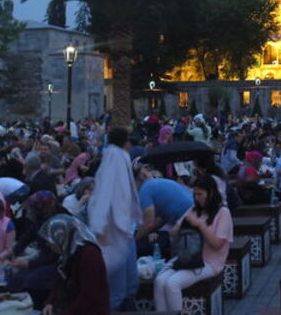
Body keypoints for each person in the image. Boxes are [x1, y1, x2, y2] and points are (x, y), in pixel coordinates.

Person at [153, 175, 233, 312]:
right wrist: (182, 225)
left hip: (210, 262)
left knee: (172, 283)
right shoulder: (193, 210)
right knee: (159, 281)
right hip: (188, 257)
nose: (197, 198)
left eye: (200, 194)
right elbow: (173, 233)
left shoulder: (223, 213)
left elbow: (217, 244)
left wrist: (200, 225)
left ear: (211, 193)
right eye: (194, 194)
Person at [87, 127, 142, 310]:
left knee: (129, 282)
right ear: (125, 141)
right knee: (117, 290)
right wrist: (100, 226)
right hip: (113, 230)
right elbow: (105, 194)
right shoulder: (114, 159)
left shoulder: (118, 157)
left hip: (124, 227)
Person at [38, 214, 109, 315]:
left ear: (61, 236)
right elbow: (59, 282)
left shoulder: (89, 255)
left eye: (51, 240)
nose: (48, 244)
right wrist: (50, 303)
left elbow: (89, 297)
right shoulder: (68, 252)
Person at [135, 165, 193, 243]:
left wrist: (134, 241)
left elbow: (149, 224)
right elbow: (162, 219)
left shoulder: (144, 190)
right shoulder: (154, 184)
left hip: (187, 216)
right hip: (191, 210)